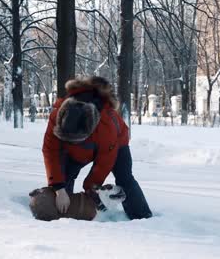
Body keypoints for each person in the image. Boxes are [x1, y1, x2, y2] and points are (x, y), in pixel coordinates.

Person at [42, 76, 152, 220]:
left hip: (116, 143)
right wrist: (58, 188)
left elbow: (104, 164)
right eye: (69, 140)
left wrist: (91, 190)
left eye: (77, 141)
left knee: (124, 177)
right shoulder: (57, 115)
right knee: (64, 177)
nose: (74, 143)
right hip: (78, 149)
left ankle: (142, 217)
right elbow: (50, 151)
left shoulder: (106, 127)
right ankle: (64, 217)